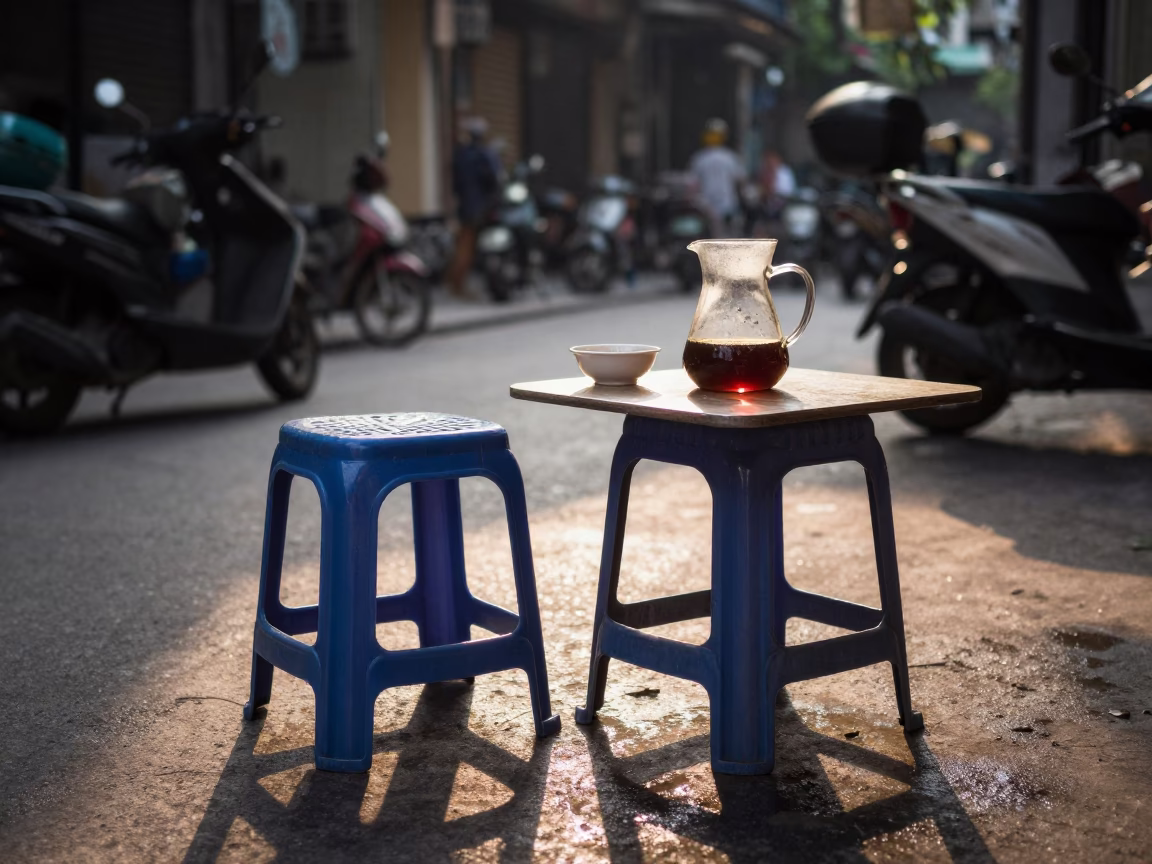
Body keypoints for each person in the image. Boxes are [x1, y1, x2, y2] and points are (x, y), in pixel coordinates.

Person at [447, 117, 501, 298]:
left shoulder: (461, 154)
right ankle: (458, 286)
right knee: (466, 248)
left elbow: (456, 183)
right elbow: (494, 179)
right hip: (478, 207)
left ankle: (457, 283)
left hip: (465, 205)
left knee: (464, 245)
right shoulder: (483, 154)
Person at [688, 118, 746, 237]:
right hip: (725, 207)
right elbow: (740, 181)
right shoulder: (730, 158)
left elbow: (692, 185)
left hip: (707, 207)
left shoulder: (699, 158)